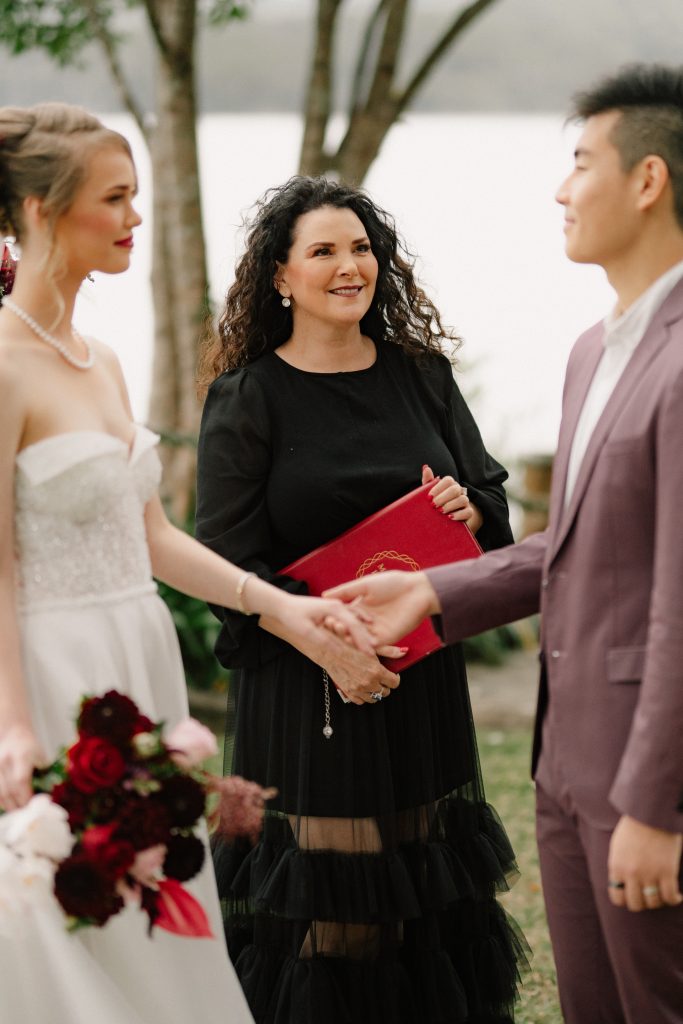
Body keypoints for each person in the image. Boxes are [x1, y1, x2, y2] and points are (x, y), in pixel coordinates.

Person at [0, 103, 371, 1024]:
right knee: (75, 916)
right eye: (115, 198)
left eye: (138, 196)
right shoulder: (2, 368)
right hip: (47, 674)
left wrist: (278, 608)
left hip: (139, 656)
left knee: (162, 908)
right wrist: (14, 729)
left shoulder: (103, 360)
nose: (134, 218)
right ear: (42, 212)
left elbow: (153, 537)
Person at [328, 64, 683, 1024]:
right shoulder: (589, 350)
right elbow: (578, 545)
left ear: (647, 180)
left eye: (579, 163)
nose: (560, 190)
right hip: (562, 763)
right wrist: (437, 592)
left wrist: (658, 806)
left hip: (649, 783)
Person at [195, 175, 528, 1024]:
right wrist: (329, 648)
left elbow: (491, 513)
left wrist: (469, 505)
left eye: (361, 248)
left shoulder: (422, 376)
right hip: (308, 695)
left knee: (423, 917)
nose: (350, 267)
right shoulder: (247, 400)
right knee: (333, 927)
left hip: (418, 684)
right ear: (280, 276)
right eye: (324, 251)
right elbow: (228, 566)